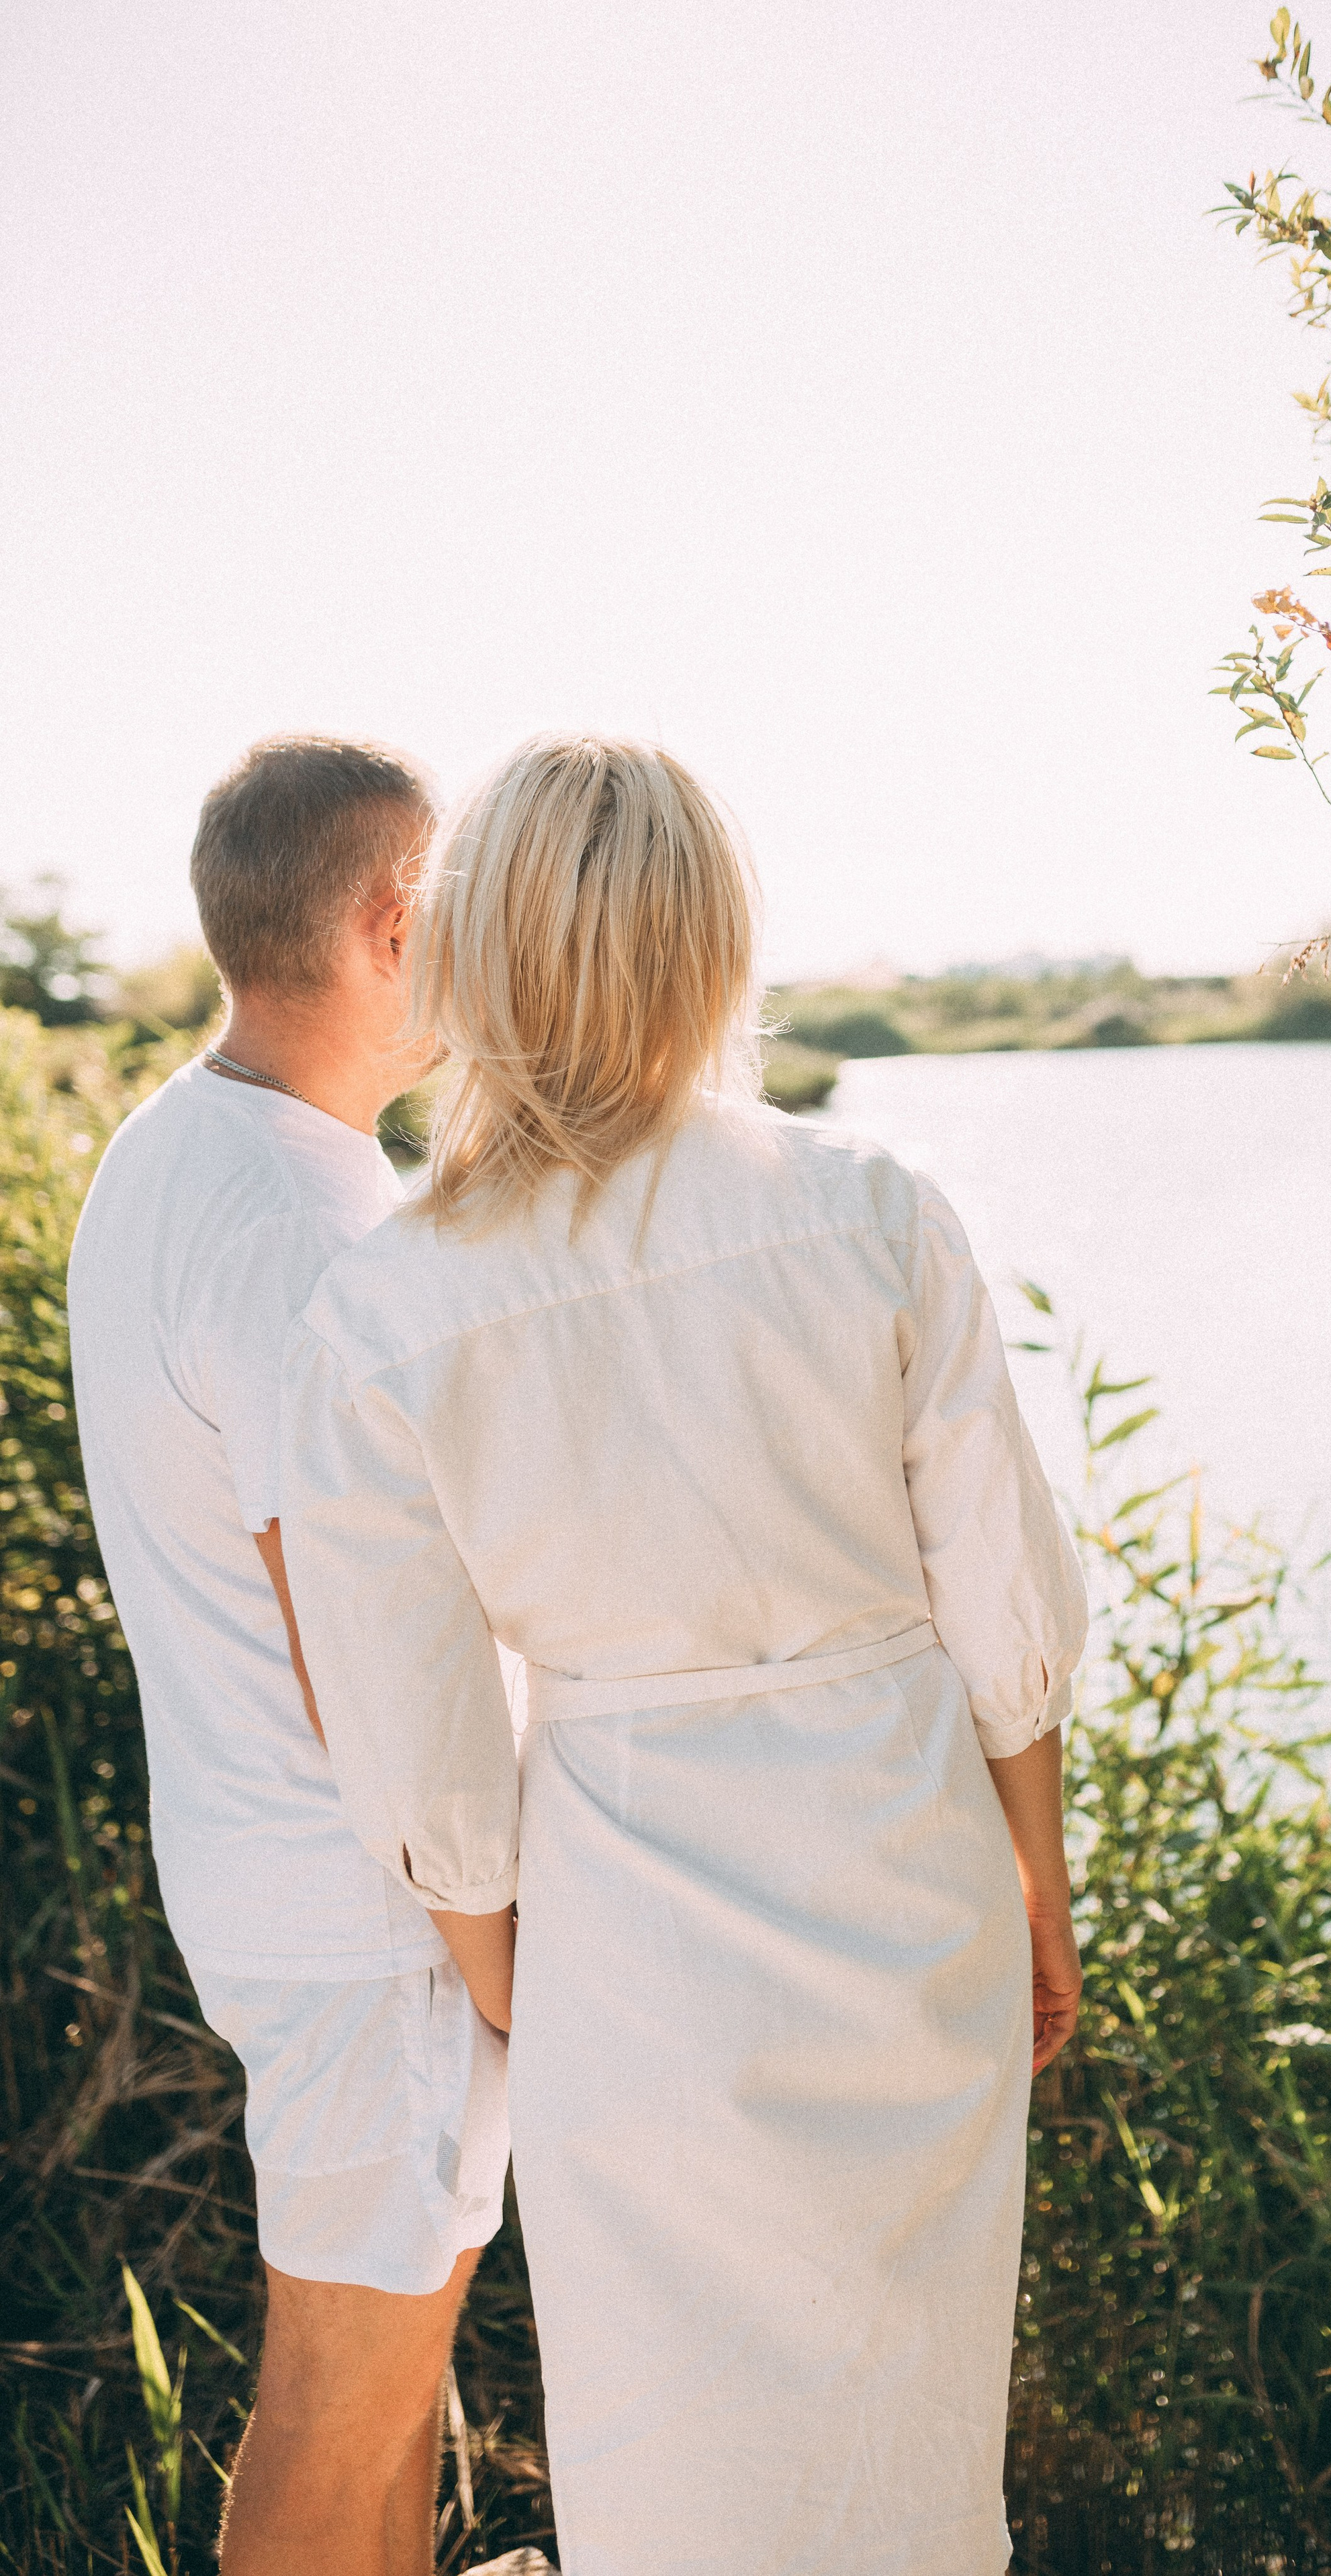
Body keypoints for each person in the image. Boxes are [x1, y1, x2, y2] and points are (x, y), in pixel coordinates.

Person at [279, 734, 1089, 2576]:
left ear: (466, 954)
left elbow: (422, 1758)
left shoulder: (385, 1313)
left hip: (627, 1939)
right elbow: (1004, 1614)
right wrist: (1033, 1880)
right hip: (907, 1877)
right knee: (913, 2446)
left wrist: (520, 1991)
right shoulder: (872, 1209)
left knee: (673, 2475)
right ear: (714, 940)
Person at [68, 738, 513, 2576]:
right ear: (395, 915)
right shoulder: (307, 1225)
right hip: (370, 1912)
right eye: (464, 905)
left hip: (286, 1880)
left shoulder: (184, 1148)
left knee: (386, 2391)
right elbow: (372, 1652)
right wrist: (504, 1961)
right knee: (346, 2397)